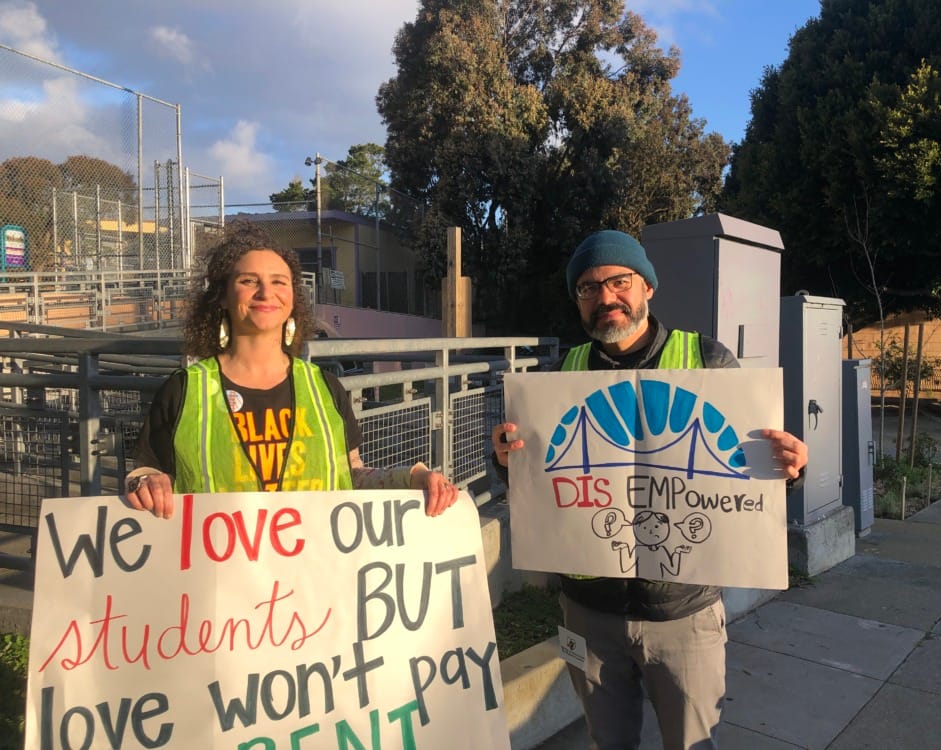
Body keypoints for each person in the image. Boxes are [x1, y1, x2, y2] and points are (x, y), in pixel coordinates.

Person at [490, 229, 808, 750]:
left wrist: (788, 470)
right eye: (588, 288)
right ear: (577, 301)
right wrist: (508, 463)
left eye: (619, 281)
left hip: (684, 614)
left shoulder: (707, 360)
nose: (605, 297)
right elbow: (542, 486)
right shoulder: (560, 376)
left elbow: (748, 483)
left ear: (648, 288)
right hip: (588, 615)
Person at [125, 222, 458, 519]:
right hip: (219, 566)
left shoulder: (325, 388)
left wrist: (413, 478)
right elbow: (146, 473)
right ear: (223, 297)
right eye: (248, 280)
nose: (266, 292)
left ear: (292, 299)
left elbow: (351, 477)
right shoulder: (184, 390)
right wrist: (144, 482)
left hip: (312, 566)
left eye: (279, 282)